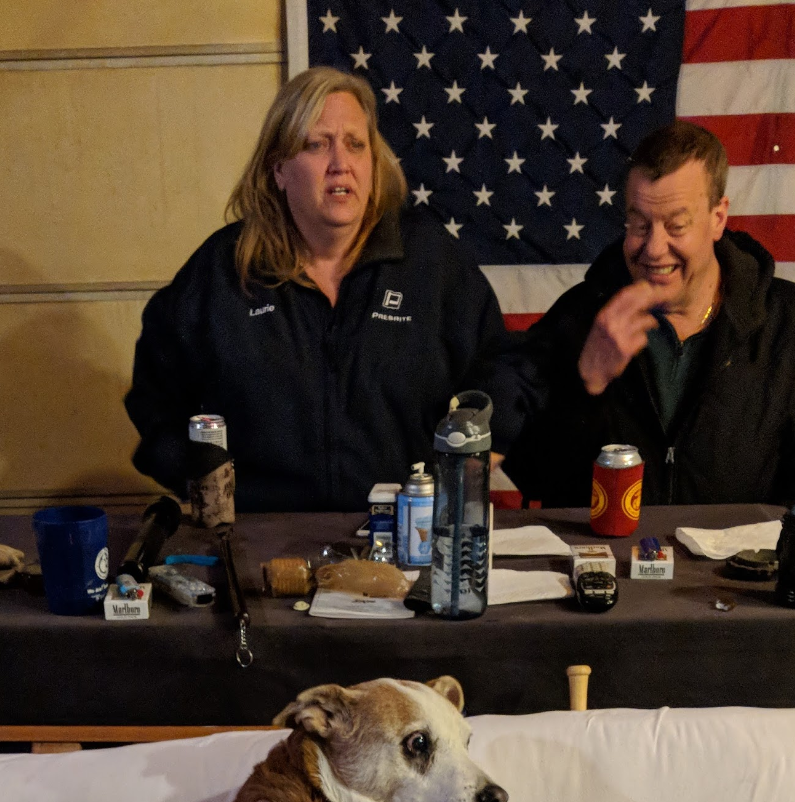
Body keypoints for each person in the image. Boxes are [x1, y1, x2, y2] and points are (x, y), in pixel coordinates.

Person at [125, 67, 521, 513]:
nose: (340, 162)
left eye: (355, 144)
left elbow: (502, 366)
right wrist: (200, 478)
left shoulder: (430, 260)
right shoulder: (223, 270)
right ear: (278, 169)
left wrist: (480, 454)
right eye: (317, 144)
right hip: (263, 535)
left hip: (407, 530)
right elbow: (154, 399)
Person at [502, 120, 795, 511]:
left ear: (718, 218)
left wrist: (775, 546)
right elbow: (532, 476)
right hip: (603, 551)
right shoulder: (578, 316)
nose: (654, 249)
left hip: (746, 552)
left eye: (676, 226)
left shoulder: (792, 324)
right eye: (639, 224)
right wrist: (583, 385)